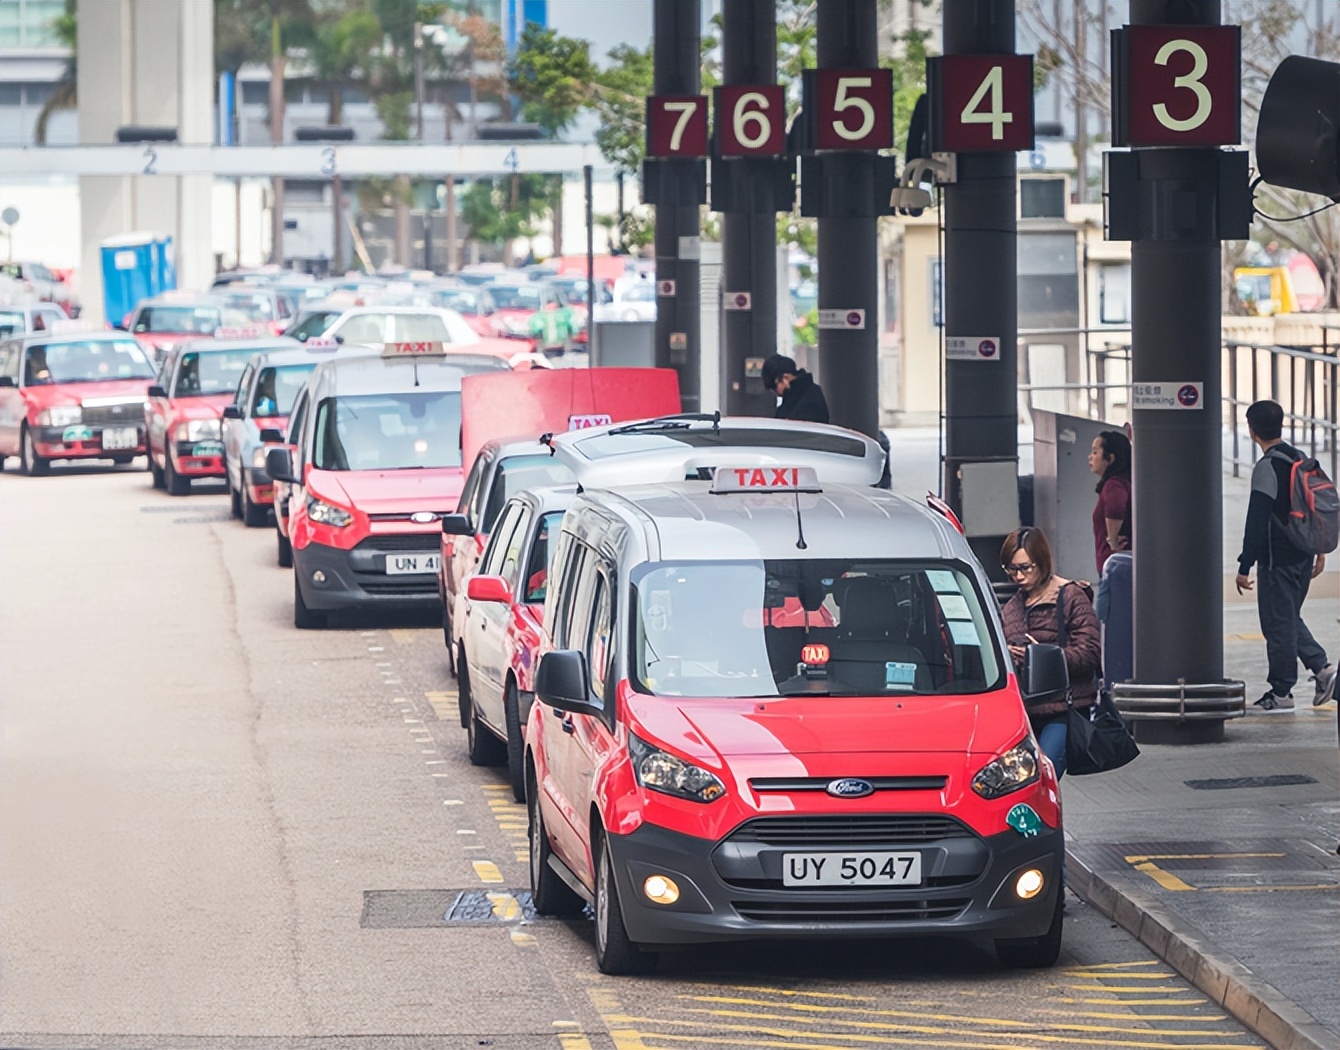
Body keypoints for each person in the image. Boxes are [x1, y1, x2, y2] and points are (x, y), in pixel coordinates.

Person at [1235, 400, 1336, 712]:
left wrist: (1244, 564)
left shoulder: (1267, 467)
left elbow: (1257, 519)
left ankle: (1281, 694)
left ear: (1252, 431)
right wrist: (1318, 550)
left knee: (1277, 624)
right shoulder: (1300, 459)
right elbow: (1311, 507)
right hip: (1303, 556)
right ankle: (1323, 670)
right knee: (1287, 618)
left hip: (1277, 560)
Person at [999, 527, 1102, 779]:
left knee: (1044, 780)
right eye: (1011, 569)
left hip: (1063, 708)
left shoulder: (1070, 597)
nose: (1018, 576)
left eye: (1025, 567)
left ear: (1042, 562)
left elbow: (1090, 653)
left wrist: (1044, 657)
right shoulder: (1012, 607)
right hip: (1025, 712)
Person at [1089, 429, 1132, 573]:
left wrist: (1112, 540)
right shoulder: (1125, 481)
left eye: (1095, 452)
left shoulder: (1114, 485)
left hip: (1115, 566)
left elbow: (1115, 508)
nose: (1090, 457)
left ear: (1110, 458)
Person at [760, 353, 829, 424]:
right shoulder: (809, 394)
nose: (776, 393)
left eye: (774, 387)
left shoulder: (806, 404)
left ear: (785, 378)